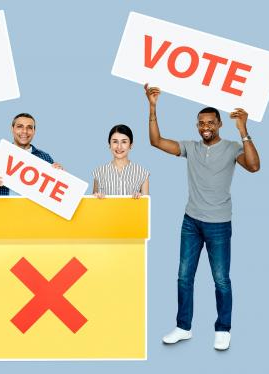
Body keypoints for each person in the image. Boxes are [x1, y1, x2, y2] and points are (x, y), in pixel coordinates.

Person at [145, 84, 260, 350]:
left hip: (219, 224)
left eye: (210, 122)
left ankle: (223, 328)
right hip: (191, 222)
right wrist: (152, 107)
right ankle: (183, 327)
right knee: (184, 276)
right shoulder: (191, 148)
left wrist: (243, 130)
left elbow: (254, 166)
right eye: (201, 123)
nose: (205, 126)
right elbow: (156, 141)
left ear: (219, 124)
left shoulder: (232, 148)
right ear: (197, 126)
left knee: (221, 278)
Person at [0, 112, 62, 195]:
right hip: (3, 214)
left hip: (34, 215)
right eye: (20, 127)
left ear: (34, 131)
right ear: (12, 129)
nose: (24, 131)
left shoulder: (44, 157)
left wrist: (60, 176)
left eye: (29, 128)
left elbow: (55, 191)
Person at [93, 124, 149, 198]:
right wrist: (96, 198)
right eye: (115, 142)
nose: (119, 147)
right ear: (109, 144)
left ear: (131, 145)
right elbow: (93, 204)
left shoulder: (142, 173)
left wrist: (141, 199)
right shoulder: (99, 172)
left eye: (124, 142)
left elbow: (146, 206)